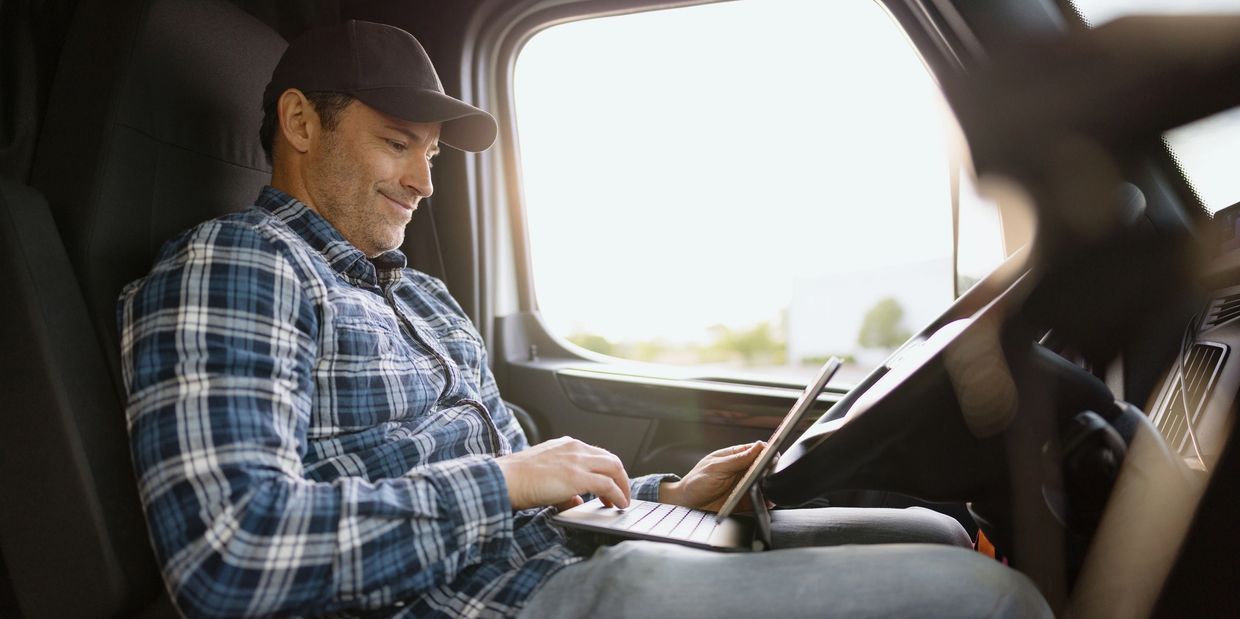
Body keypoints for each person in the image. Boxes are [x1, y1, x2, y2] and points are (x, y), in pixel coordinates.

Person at [117, 19, 1050, 619]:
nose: (422, 182)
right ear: (300, 121)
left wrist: (663, 494)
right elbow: (228, 554)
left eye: (433, 154)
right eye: (398, 143)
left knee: (931, 529)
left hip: (562, 566)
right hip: (495, 607)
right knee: (984, 601)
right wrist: (505, 479)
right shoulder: (240, 266)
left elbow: (530, 492)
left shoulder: (422, 295)